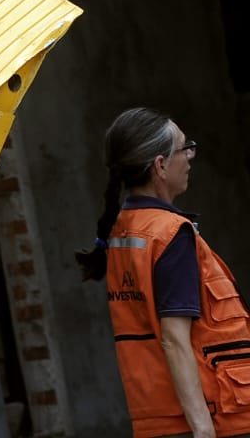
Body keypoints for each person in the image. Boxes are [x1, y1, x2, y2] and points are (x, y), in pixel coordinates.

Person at [77, 108, 250, 438]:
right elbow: (174, 338)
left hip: (160, 413)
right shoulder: (170, 234)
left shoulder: (126, 230)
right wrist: (202, 428)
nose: (190, 156)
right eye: (185, 148)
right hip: (214, 416)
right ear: (159, 165)